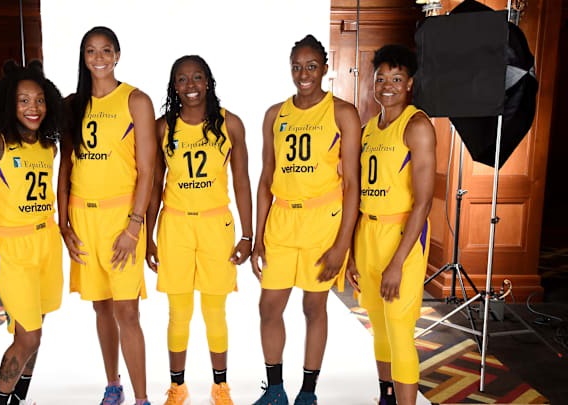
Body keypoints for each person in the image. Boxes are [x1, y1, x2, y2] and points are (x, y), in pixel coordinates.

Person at [250, 34, 362, 405]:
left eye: (311, 66)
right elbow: (266, 178)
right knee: (269, 307)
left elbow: (352, 185)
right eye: (297, 66)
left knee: (313, 307)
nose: (304, 73)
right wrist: (258, 238)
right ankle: (275, 389)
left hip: (323, 222)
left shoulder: (342, 113)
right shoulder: (275, 114)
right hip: (282, 220)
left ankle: (308, 392)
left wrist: (341, 244)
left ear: (325, 69)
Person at [145, 55, 253, 405]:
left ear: (208, 81)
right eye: (182, 79)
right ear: (173, 86)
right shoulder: (163, 127)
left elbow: (242, 183)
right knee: (178, 312)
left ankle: (220, 386)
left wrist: (248, 234)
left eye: (197, 77)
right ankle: (178, 387)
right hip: (174, 223)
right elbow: (153, 185)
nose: (190, 86)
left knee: (214, 311)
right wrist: (147, 235)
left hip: (215, 224)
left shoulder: (230, 124)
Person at [57, 26, 156, 405]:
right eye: (91, 51)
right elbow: (66, 166)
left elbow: (146, 170)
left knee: (127, 310)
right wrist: (63, 223)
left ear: (117, 55)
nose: (98, 58)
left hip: (121, 218)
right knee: (101, 306)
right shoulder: (72, 104)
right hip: (84, 218)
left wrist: (135, 226)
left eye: (105, 51)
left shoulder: (136, 101)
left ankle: (142, 398)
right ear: (83, 58)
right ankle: (112, 384)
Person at [0, 60, 63, 405]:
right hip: (11, 244)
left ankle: (20, 398)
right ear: (8, 103)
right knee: (28, 335)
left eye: (39, 100)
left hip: (46, 240)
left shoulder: (48, 146)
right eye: (23, 100)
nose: (33, 108)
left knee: (34, 330)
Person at [346, 44, 436, 405]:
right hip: (368, 234)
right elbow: (360, 193)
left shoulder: (417, 126)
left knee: (399, 331)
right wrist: (352, 251)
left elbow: (424, 201)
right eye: (381, 78)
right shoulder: (369, 129)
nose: (388, 85)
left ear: (409, 83)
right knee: (379, 327)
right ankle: (386, 397)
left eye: (396, 79)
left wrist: (398, 261)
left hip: (401, 237)